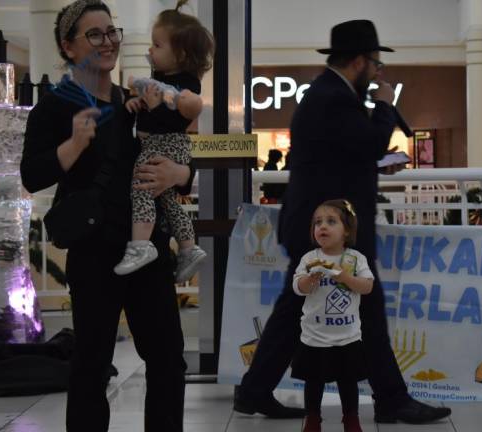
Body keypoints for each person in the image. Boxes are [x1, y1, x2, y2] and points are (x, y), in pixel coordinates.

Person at [234, 20, 452, 424]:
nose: (379, 72)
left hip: (320, 224)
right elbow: (368, 142)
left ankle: (254, 391)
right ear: (358, 62)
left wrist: (375, 163)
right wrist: (385, 106)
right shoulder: (333, 97)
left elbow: (346, 154)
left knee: (294, 312)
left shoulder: (329, 95)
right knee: (363, 304)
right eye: (376, 64)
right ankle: (391, 399)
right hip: (329, 228)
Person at [20, 1, 193, 430]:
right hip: (94, 250)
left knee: (169, 358)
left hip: (145, 249)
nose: (108, 41)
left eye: (111, 31)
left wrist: (181, 174)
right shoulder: (56, 106)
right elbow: (32, 175)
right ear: (69, 46)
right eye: (94, 34)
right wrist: (73, 145)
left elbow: (171, 153)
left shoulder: (133, 98)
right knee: (93, 362)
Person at [114, 0, 214, 280]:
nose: (150, 50)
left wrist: (155, 106)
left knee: (142, 185)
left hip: (165, 143)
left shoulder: (185, 85)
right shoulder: (163, 77)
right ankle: (188, 247)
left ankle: (140, 245)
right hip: (166, 145)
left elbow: (174, 121)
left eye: (157, 45)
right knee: (168, 201)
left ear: (180, 53)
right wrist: (138, 103)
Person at [292, 199, 373, 432]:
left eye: (330, 221)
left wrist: (344, 277)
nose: (322, 227)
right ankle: (313, 419)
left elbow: (367, 287)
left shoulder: (355, 258)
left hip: (347, 336)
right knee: (313, 381)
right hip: (314, 335)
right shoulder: (309, 259)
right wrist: (309, 280)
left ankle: (351, 418)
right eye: (317, 223)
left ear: (346, 230)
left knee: (347, 382)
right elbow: (298, 288)